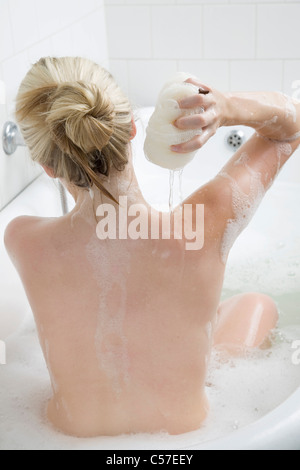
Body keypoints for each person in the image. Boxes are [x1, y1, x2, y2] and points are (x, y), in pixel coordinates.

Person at [4, 57, 300, 437]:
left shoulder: (22, 239)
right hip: (187, 436)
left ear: (47, 167)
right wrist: (224, 107)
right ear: (131, 128)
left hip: (68, 435)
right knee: (257, 303)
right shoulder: (206, 223)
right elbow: (289, 130)